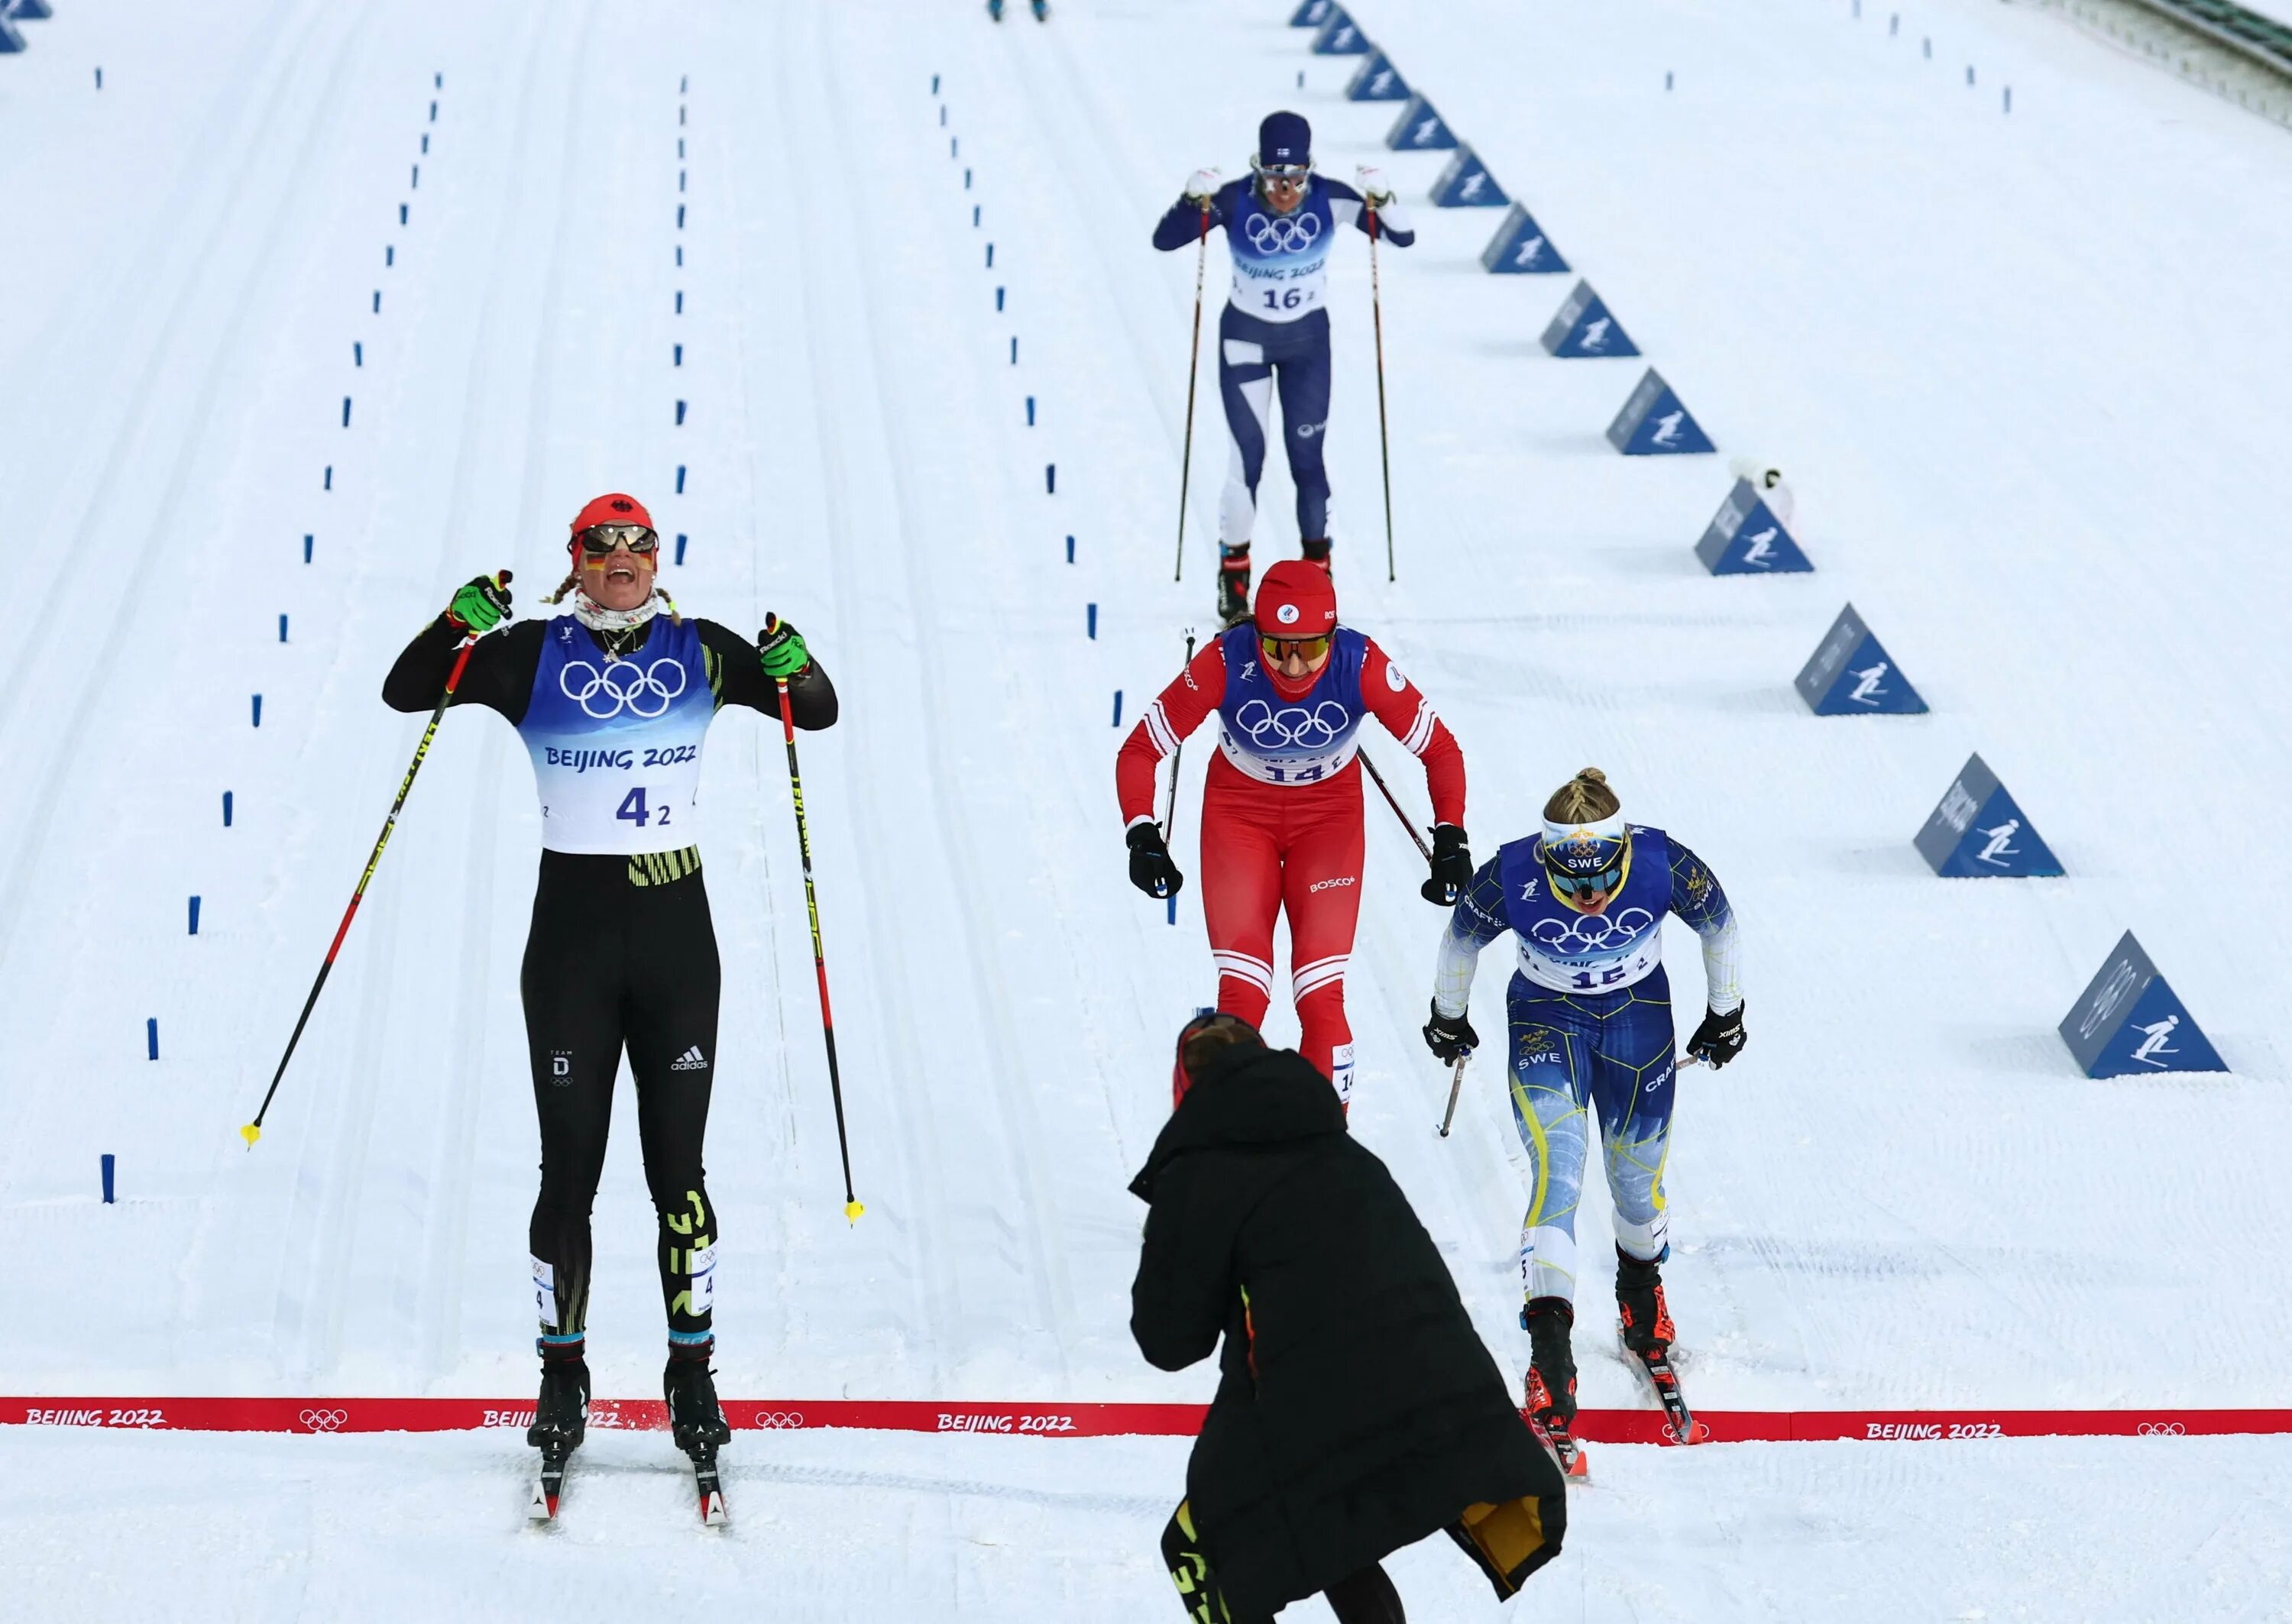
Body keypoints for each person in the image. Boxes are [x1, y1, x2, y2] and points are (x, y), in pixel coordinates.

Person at [381, 492, 838, 1510]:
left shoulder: (703, 650)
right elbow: (406, 690)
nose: (621, 559)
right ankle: (562, 1376)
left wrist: (794, 662)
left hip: (677, 947)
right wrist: (459, 621)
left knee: (679, 1175)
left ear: (658, 557)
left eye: (638, 546)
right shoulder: (527, 653)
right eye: (602, 545)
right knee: (568, 1179)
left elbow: (817, 707)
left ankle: (692, 1374)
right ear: (575, 559)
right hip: (572, 949)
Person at [1133, 1014, 1568, 1624]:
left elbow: (1170, 1340)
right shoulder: (1341, 1148)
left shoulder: (1199, 1173)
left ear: (1185, 1093)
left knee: (1201, 1547)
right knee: (1333, 1532)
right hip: (1440, 1383)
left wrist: (1172, 1229)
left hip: (1323, 1397)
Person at [1420, 768, 1743, 1471]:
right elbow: (1460, 943)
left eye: (1602, 883)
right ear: (1548, 863)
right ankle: (1549, 1360)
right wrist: (1447, 1016)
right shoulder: (1511, 872)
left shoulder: (1660, 860)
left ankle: (1641, 1298)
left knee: (1636, 1184)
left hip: (1639, 1024)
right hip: (1546, 1023)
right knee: (1558, 1175)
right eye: (1571, 887)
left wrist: (1728, 1010)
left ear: (1623, 856)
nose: (1590, 898)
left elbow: (1718, 923)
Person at [1115, 561, 1468, 1106]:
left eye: (1310, 646)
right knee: (1242, 995)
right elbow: (1141, 749)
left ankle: (1322, 1155)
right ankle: (1213, 1156)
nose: (1296, 664)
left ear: (1333, 634)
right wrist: (1142, 833)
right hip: (1240, 813)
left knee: (1321, 995)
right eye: (1277, 647)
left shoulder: (1361, 663)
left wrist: (1451, 837)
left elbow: (1440, 750)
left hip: (1328, 820)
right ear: (1256, 633)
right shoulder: (1225, 660)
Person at [1152, 111, 1413, 624]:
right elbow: (1166, 240)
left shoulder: (1330, 198)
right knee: (1246, 461)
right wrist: (1191, 200)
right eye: (1274, 178)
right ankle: (1234, 581)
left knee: (1307, 461)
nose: (1286, 190)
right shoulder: (1232, 200)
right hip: (1246, 341)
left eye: (1295, 178)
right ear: (1259, 171)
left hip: (1307, 345)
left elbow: (1400, 238)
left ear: (1309, 172)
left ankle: (1319, 572)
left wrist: (1383, 198)